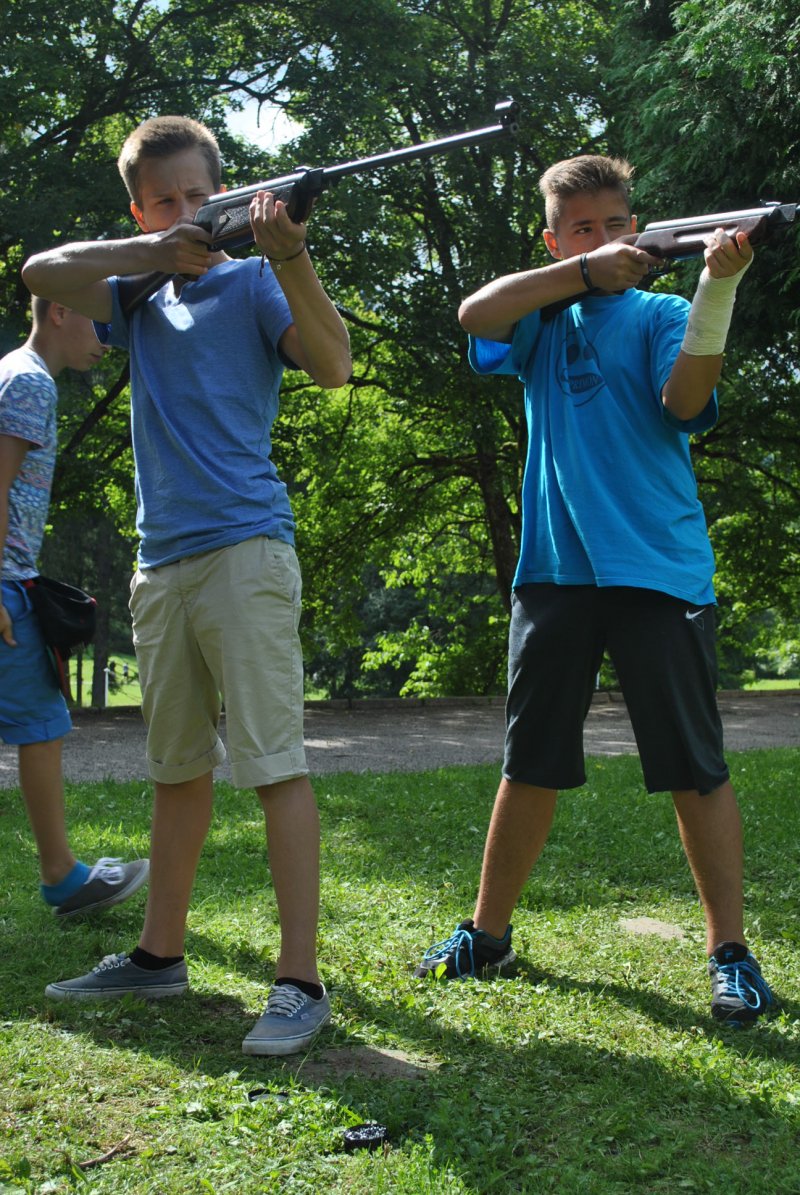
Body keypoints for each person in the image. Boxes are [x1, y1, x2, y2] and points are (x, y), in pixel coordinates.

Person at [414, 155, 775, 1026]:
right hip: (554, 573)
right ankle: (487, 934)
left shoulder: (659, 311)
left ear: (639, 227)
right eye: (583, 227)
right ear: (553, 239)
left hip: (659, 567)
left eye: (617, 224)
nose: (606, 238)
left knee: (695, 767)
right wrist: (577, 274)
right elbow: (473, 313)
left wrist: (717, 291)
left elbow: (687, 400)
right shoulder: (540, 314)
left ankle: (730, 954)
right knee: (528, 760)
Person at [23, 115, 352, 1055]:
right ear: (140, 209)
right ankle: (159, 956)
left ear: (225, 193)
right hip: (158, 565)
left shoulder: (254, 279)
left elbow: (335, 367)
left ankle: (299, 979)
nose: (186, 212)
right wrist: (153, 249)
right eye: (165, 200)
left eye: (199, 197)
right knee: (176, 772)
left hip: (247, 549)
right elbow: (43, 273)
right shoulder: (136, 287)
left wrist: (292, 258)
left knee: (274, 765)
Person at [1, 299, 149, 917]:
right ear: (60, 310)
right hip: (7, 586)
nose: (107, 341)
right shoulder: (31, 381)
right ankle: (62, 876)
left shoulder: (12, 370)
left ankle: (63, 872)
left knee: (43, 724)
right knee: (42, 727)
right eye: (100, 322)